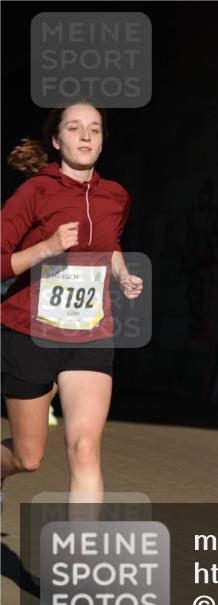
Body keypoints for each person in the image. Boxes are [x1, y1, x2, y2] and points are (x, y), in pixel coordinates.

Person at [1, 101, 143, 503]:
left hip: (89, 335)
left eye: (94, 129)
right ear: (56, 140)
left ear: (102, 141)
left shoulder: (116, 196)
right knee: (28, 457)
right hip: (29, 334)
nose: (85, 136)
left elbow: (109, 244)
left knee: (85, 450)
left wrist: (122, 274)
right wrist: (46, 248)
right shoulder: (34, 191)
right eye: (74, 128)